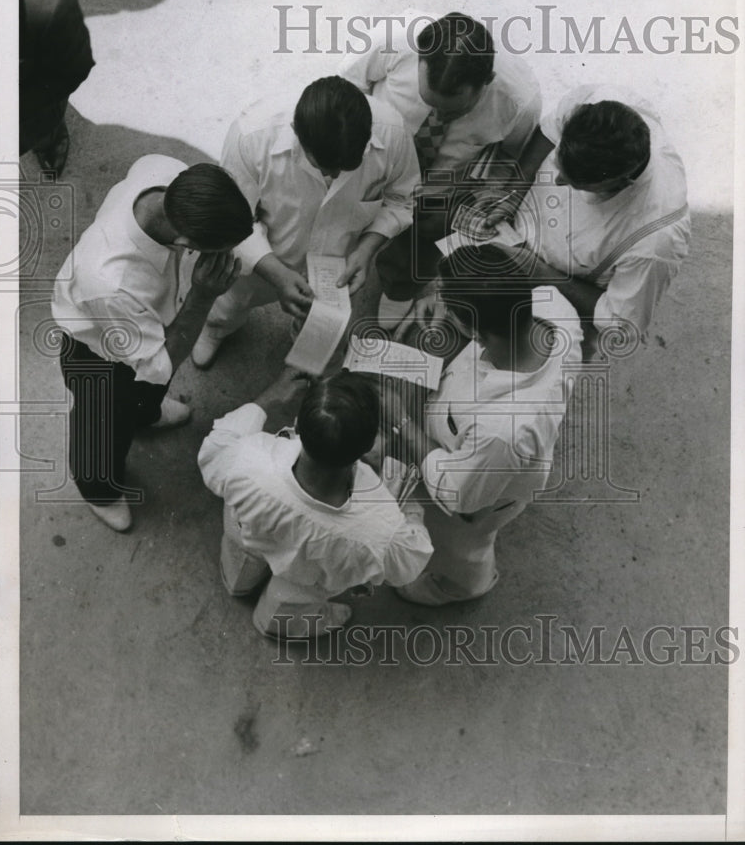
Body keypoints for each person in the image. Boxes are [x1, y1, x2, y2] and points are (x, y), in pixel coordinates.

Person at [51, 155, 253, 532]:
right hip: (97, 353)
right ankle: (99, 489)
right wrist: (202, 297)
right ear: (185, 243)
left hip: (140, 323)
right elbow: (158, 364)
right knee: (102, 425)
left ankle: (144, 413)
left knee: (139, 401)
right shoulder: (113, 282)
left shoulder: (163, 171)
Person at [384, 243, 582, 606]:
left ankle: (459, 587)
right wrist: (444, 303)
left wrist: (400, 415)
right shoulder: (556, 309)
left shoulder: (501, 432)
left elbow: (458, 495)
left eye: (445, 301)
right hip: (486, 457)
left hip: (477, 495)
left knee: (462, 546)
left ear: (471, 328)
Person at [191, 76, 419, 368]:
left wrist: (366, 250)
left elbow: (402, 199)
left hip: (335, 261)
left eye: (348, 167)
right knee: (230, 302)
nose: (336, 177)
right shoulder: (250, 137)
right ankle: (216, 328)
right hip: (261, 254)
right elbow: (232, 220)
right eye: (324, 167)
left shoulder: (394, 135)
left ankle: (305, 343)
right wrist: (276, 273)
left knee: (319, 328)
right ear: (296, 132)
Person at [338, 11, 542, 326]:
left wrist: (487, 196)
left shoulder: (519, 102)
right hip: (375, 150)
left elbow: (508, 157)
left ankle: (399, 285)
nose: (439, 115)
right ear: (419, 57)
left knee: (430, 227)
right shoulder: (394, 38)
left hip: (439, 180)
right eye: (428, 100)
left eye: (455, 111)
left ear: (487, 82)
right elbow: (348, 86)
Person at [198, 368, 433, 640]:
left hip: (247, 534)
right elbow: (408, 564)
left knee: (240, 558)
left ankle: (238, 581)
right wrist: (409, 507)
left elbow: (218, 445)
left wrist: (272, 394)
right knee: (292, 600)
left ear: (297, 425)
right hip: (309, 575)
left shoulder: (246, 459)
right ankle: (273, 623)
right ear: (369, 446)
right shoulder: (381, 530)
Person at [477, 85, 691, 359]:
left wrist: (540, 275)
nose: (557, 181)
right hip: (517, 241)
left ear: (620, 183)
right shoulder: (595, 106)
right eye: (558, 165)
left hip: (564, 300)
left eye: (575, 184)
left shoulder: (656, 242)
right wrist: (512, 194)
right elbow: (549, 132)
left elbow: (620, 322)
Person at [20, 0, 95, 176]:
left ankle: (48, 137)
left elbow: (71, 70)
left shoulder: (47, 8)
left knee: (40, 121)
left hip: (26, 101)